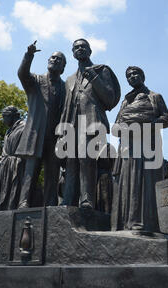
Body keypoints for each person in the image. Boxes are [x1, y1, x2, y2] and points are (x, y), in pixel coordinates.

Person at [59, 39, 120, 209]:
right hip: (72, 125)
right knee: (71, 162)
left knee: (87, 159)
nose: (80, 49)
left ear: (90, 51)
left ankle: (87, 200)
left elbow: (109, 98)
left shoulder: (101, 70)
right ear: (73, 53)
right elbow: (66, 106)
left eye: (83, 47)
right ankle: (69, 200)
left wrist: (94, 77)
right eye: (76, 47)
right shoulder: (70, 79)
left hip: (92, 121)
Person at [111, 66, 168, 233]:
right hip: (128, 149)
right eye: (129, 76)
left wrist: (145, 125)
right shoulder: (126, 102)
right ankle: (126, 223)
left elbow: (167, 119)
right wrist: (128, 127)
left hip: (148, 148)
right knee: (129, 184)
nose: (132, 77)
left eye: (135, 74)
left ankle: (147, 224)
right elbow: (115, 127)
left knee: (145, 184)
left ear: (143, 76)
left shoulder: (154, 97)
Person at [16, 41, 66, 208]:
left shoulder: (66, 88)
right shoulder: (35, 81)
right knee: (31, 173)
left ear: (63, 68)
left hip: (55, 138)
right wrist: (28, 55)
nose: (55, 60)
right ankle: (24, 202)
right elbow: (22, 74)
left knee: (52, 174)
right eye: (52, 58)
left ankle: (50, 204)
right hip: (36, 135)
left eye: (59, 60)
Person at [0, 106, 26, 233]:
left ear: (12, 116)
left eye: (4, 117)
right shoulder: (9, 131)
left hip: (15, 169)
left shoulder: (24, 127)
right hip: (4, 169)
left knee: (9, 201)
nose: (3, 120)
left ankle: (6, 229)